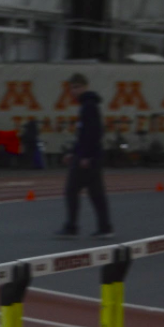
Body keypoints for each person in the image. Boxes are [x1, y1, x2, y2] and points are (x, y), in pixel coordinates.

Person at [54, 73, 113, 239]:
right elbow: (83, 134)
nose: (73, 91)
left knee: (72, 190)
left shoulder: (89, 106)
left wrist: (85, 156)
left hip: (87, 158)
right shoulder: (87, 105)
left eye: (76, 87)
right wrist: (73, 152)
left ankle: (72, 226)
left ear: (85, 86)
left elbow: (93, 133)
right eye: (71, 88)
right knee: (96, 193)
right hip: (89, 156)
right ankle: (105, 227)